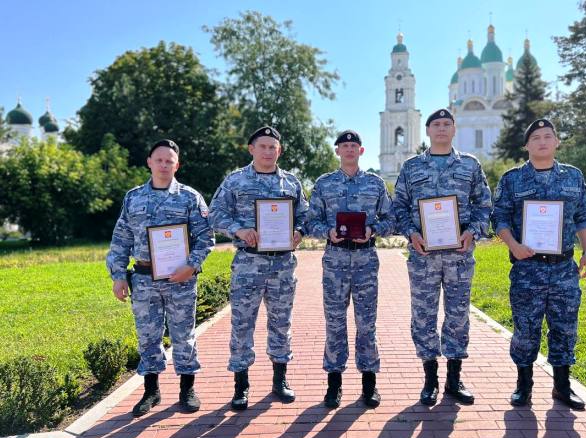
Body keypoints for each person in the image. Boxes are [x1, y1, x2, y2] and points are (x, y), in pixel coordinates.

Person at [491, 118, 586, 410]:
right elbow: (499, 218)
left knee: (565, 327)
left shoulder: (573, 177)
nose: (542, 141)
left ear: (557, 142)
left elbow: (584, 215)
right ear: (526, 145)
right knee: (525, 329)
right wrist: (514, 245)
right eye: (535, 137)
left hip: (564, 268)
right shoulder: (512, 180)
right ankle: (524, 385)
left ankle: (562, 386)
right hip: (527, 268)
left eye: (548, 136)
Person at [106, 139, 215, 417]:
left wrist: (191, 266)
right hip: (143, 279)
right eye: (159, 159)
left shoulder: (190, 197)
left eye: (170, 161)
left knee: (184, 335)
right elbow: (121, 239)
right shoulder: (133, 197)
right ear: (149, 162)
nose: (164, 165)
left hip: (180, 279)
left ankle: (187, 389)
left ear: (177, 165)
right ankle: (151, 391)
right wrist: (118, 276)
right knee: (148, 337)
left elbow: (206, 237)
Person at [392, 108, 492, 406]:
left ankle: (454, 378)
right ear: (427, 130)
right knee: (423, 315)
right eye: (436, 124)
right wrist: (412, 233)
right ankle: (430, 379)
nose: (441, 129)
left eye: (447, 124)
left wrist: (472, 231)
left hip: (459, 254)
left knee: (458, 314)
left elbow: (484, 204)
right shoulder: (411, 167)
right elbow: (398, 207)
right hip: (423, 255)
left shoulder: (470, 165)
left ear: (454, 129)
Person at [209, 126, 308, 410]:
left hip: (282, 264)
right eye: (262, 146)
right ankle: (241, 385)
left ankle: (280, 381)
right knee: (242, 323)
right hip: (248, 263)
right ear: (251, 149)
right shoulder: (236, 181)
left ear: (280, 151)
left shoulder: (291, 183)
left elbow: (305, 214)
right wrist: (238, 230)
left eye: (273, 147)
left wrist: (300, 231)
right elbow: (214, 214)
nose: (268, 151)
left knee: (281, 322)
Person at [306, 130, 394, 408]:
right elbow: (310, 222)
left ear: (361, 150)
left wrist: (372, 230)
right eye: (344, 146)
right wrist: (328, 232)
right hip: (335, 260)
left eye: (353, 145)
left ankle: (369, 384)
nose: (349, 150)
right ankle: (334, 384)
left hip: (366, 260)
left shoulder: (375, 183)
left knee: (367, 324)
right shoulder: (323, 184)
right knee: (335, 323)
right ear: (337, 151)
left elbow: (391, 219)